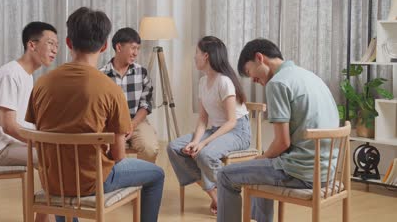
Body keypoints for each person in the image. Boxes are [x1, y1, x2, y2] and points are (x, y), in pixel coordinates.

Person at [25, 7, 165, 222]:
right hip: (94, 182)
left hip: (53, 182)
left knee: (63, 175)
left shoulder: (42, 84)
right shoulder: (110, 88)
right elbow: (118, 156)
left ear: (69, 43)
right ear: (105, 46)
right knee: (157, 175)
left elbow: (43, 134)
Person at [216, 38, 339, 222]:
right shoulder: (308, 76)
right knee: (260, 167)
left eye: (250, 72)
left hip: (302, 173)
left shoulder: (278, 83)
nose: (253, 80)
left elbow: (282, 143)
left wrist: (261, 158)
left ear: (259, 58)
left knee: (225, 174)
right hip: (327, 170)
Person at [0, 21, 58, 222]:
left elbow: (24, 120)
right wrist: (40, 141)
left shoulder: (26, 75)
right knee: (54, 160)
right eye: (50, 44)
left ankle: (52, 216)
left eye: (57, 45)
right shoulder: (11, 75)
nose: (55, 50)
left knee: (57, 152)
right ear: (32, 45)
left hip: (10, 143)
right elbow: (9, 126)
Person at [167, 36, 251, 215]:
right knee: (175, 147)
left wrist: (203, 144)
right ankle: (216, 195)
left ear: (206, 56)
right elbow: (202, 120)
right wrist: (196, 141)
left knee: (205, 154)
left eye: (196, 53)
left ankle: (229, 194)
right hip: (216, 130)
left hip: (237, 131)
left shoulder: (224, 81)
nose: (194, 57)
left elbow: (231, 121)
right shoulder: (203, 82)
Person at [100, 27, 159, 163]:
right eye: (133, 48)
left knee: (150, 148)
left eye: (138, 49)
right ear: (119, 47)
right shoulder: (102, 75)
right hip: (110, 125)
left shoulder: (142, 72)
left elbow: (146, 104)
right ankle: (115, 182)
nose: (136, 53)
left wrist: (132, 124)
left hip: (137, 121)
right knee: (105, 151)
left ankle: (143, 183)